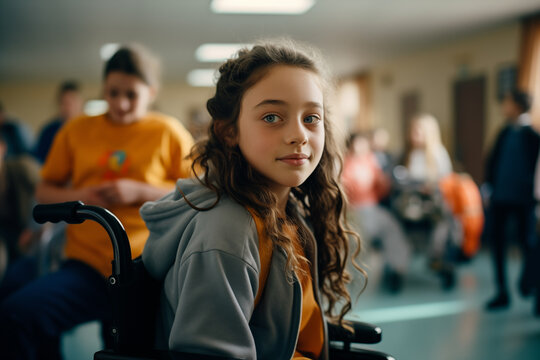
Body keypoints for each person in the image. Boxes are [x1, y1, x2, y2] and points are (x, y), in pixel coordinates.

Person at [141, 41, 364, 359]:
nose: (299, 134)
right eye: (272, 117)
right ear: (229, 132)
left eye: (311, 118)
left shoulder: (286, 212)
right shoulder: (227, 230)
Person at [0, 44, 195, 359]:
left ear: (152, 91)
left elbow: (195, 192)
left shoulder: (168, 131)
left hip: (147, 271)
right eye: (112, 92)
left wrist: (139, 190)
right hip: (86, 267)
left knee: (129, 349)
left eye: (131, 95)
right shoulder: (76, 130)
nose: (120, 103)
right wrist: (83, 196)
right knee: (15, 316)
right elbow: (44, 191)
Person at [484, 89, 540, 310]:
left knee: (528, 243)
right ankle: (501, 291)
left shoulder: (533, 137)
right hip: (500, 198)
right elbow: (492, 161)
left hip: (524, 201)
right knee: (497, 243)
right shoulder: (503, 133)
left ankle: (533, 287)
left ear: (517, 106)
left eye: (506, 103)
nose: (503, 107)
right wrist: (488, 187)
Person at [342, 132, 410, 293]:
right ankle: (353, 275)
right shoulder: (345, 163)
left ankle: (396, 269)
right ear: (351, 145)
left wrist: (383, 182)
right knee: (358, 236)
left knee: (393, 230)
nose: (360, 147)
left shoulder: (372, 161)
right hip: (353, 210)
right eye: (357, 144)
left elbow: (382, 190)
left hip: (373, 208)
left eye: (363, 144)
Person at [399, 113, 457, 288]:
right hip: (410, 202)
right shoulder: (407, 154)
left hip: (433, 202)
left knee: (444, 222)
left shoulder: (438, 154)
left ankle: (437, 257)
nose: (414, 134)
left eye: (419, 131)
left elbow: (447, 182)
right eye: (413, 130)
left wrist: (431, 186)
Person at [0, 134, 41, 281]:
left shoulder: (23, 167)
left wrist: (32, 228)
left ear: (3, 148)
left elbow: (44, 193)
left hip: (33, 226)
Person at [33, 80, 83, 164]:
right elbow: (39, 159)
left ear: (81, 102)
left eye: (72, 101)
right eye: (64, 102)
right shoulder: (48, 131)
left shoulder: (90, 129)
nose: (68, 107)